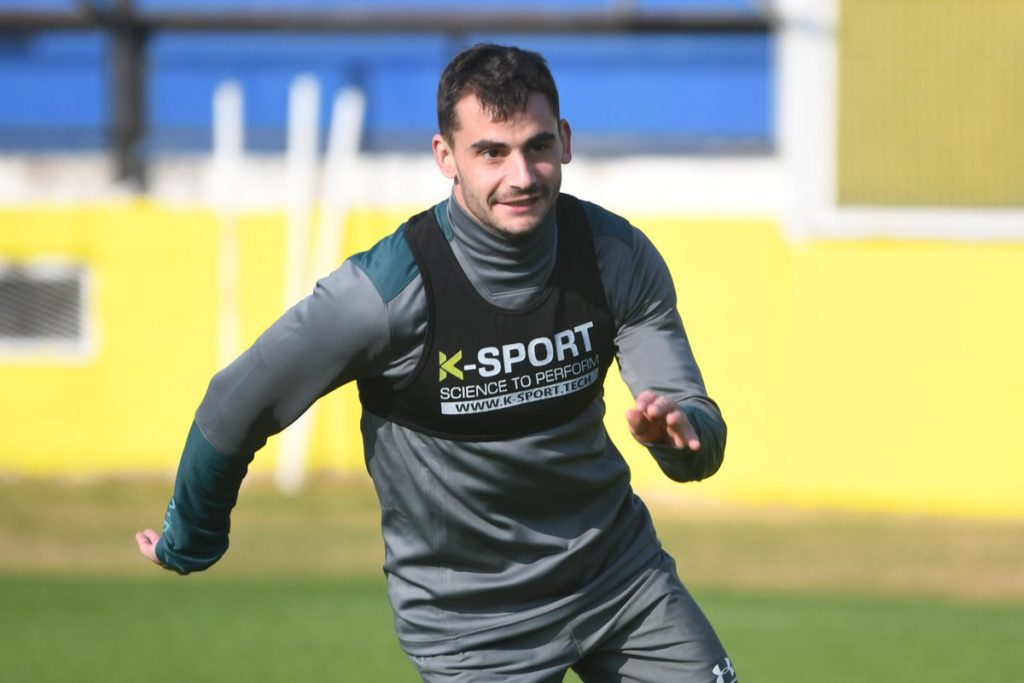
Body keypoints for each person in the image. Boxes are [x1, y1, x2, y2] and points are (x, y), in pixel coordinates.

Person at [136, 43, 736, 683]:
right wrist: (192, 535)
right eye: (491, 152)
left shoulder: (615, 256)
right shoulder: (382, 295)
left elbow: (696, 427)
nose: (521, 175)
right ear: (445, 156)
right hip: (474, 625)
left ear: (564, 141)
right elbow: (235, 404)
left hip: (622, 584)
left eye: (536, 146)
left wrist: (681, 438)